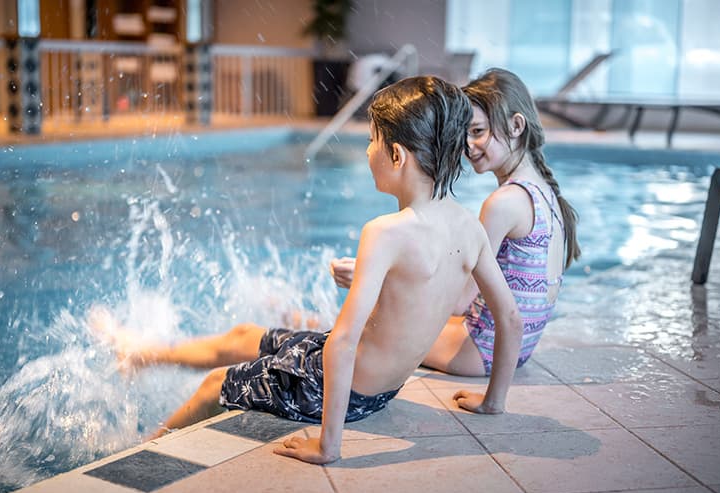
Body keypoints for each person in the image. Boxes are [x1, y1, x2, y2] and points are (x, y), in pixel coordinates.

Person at [89, 75, 522, 465]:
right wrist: (493, 402)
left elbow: (346, 340)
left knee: (214, 385)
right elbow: (510, 316)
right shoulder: (468, 225)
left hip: (350, 390)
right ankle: (139, 355)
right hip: (381, 387)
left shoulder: (385, 232)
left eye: (371, 142)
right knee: (245, 336)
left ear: (396, 154)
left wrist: (327, 446)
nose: (367, 152)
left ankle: (138, 453)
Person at [330, 68, 580, 407]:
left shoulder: (504, 203)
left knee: (360, 333)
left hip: (479, 349)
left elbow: (459, 300)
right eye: (465, 134)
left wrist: (374, 276)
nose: (469, 145)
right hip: (518, 345)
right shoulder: (543, 191)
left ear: (517, 126)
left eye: (478, 131)